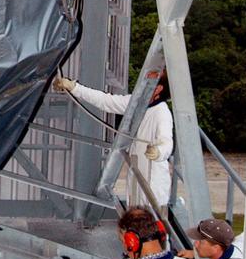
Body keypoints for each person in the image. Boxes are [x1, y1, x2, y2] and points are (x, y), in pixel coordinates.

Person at [54, 73, 173, 209]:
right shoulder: (137, 104)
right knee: (134, 215)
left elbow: (167, 142)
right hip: (135, 170)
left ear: (158, 89)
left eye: (149, 83)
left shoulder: (161, 112)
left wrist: (159, 151)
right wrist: (74, 87)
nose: (143, 85)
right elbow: (106, 101)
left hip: (154, 177)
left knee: (155, 220)